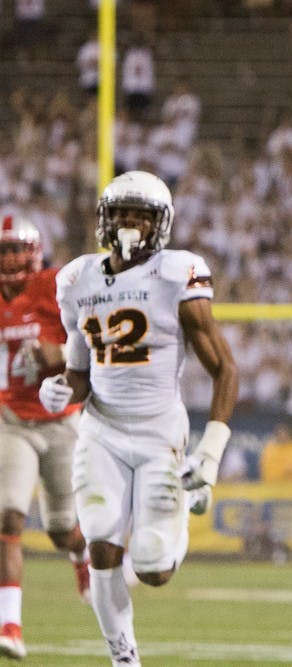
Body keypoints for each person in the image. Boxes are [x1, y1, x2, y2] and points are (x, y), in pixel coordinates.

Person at [37, 171, 238, 667]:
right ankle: (123, 658)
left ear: (160, 224)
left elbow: (225, 369)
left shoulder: (177, 274)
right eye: (122, 212)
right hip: (100, 430)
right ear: (106, 219)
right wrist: (58, 389)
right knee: (101, 543)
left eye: (141, 214)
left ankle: (177, 513)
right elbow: (81, 372)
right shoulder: (77, 279)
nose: (130, 222)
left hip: (159, 433)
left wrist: (209, 454)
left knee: (151, 566)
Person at [0, 215, 91, 661]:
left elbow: (92, 339)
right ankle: (9, 623)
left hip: (59, 419)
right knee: (8, 518)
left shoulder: (56, 287)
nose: (10, 259)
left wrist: (60, 354)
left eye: (16, 249)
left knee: (60, 528)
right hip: (11, 419)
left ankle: (81, 557)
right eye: (3, 251)